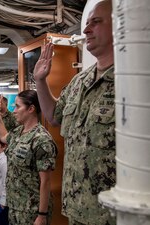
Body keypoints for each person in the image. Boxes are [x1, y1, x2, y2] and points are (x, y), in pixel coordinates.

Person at [33, 1, 115, 224]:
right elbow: (53, 116)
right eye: (86, 23)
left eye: (95, 22)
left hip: (113, 215)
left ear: (119, 26)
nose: (86, 29)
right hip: (77, 208)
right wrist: (40, 80)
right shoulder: (80, 80)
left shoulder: (133, 81)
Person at [0, 90, 57, 225]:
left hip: (32, 210)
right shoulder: (18, 131)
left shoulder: (41, 139)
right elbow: (3, 137)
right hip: (16, 206)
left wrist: (42, 215)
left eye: (17, 106)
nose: (14, 110)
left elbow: (45, 181)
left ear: (31, 109)